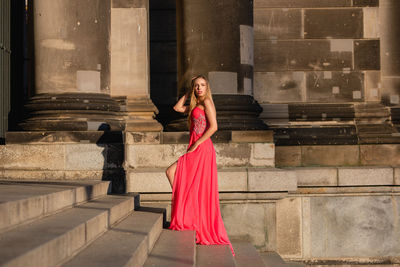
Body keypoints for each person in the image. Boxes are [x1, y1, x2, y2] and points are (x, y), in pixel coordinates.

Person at [166, 75, 234, 256]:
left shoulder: (208, 103)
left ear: (207, 87)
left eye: (202, 85)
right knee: (186, 180)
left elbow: (214, 127)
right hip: (196, 147)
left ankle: (186, 211)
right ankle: (188, 213)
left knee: (172, 171)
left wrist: (197, 144)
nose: (199, 88)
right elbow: (177, 107)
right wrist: (188, 92)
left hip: (202, 148)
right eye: (196, 86)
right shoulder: (196, 104)